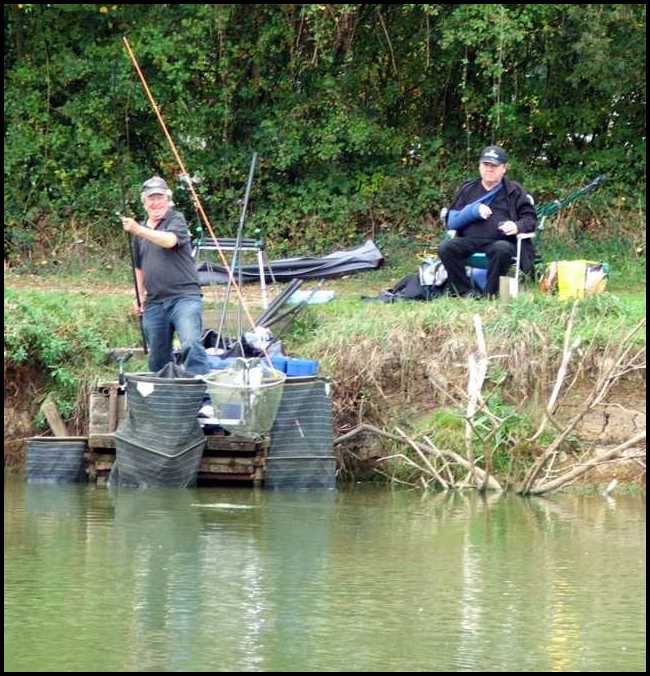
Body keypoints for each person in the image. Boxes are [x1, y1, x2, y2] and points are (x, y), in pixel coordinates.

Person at [121, 176, 207, 373]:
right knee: (158, 357)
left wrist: (139, 230)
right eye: (151, 198)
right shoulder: (139, 231)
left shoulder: (176, 219)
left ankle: (200, 392)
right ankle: (163, 396)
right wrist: (139, 296)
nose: (155, 203)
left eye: (160, 197)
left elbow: (169, 241)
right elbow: (139, 266)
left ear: (168, 200)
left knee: (191, 344)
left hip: (184, 298)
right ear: (145, 203)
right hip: (154, 303)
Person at [438, 145, 537, 297]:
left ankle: (490, 294)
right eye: (486, 164)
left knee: (502, 249)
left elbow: (530, 219)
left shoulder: (514, 190)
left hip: (501, 241)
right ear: (479, 166)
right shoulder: (468, 189)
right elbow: (452, 217)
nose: (489, 169)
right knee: (446, 247)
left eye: (494, 166)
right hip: (469, 240)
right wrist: (473, 212)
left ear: (504, 168)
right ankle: (464, 291)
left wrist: (517, 226)